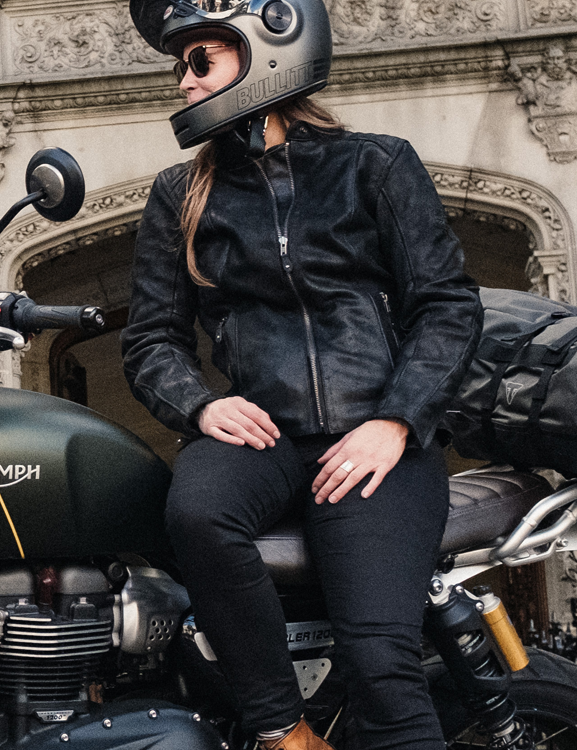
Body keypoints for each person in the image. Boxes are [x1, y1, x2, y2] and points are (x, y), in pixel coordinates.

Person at [119, 1, 483, 749]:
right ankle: (285, 729)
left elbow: (448, 307)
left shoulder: (375, 166)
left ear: (267, 51)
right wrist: (198, 408)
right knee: (195, 513)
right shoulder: (180, 194)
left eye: (200, 61)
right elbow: (151, 338)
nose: (183, 83)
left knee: (383, 668)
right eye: (179, 65)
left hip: (377, 436)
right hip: (262, 431)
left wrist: (394, 422)